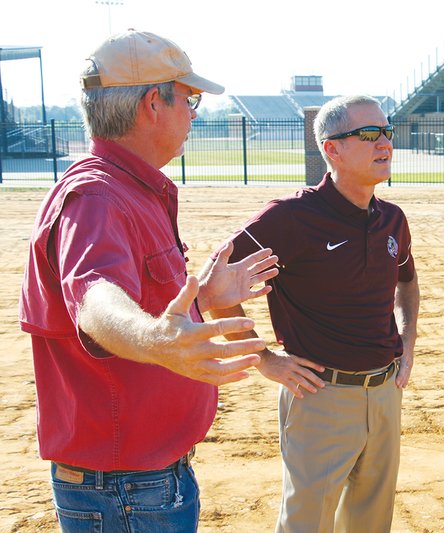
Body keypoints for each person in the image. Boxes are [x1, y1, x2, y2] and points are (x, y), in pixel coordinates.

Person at [19, 29, 280, 532]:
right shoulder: (98, 198)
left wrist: (205, 297)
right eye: (189, 98)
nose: (194, 114)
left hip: (140, 483)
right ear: (151, 105)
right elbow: (95, 300)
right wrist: (154, 340)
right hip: (124, 491)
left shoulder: (130, 190)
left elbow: (140, 294)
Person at [209, 94, 419, 532]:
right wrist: (264, 358)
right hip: (320, 395)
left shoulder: (392, 219)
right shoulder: (290, 219)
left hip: (384, 394)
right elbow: (216, 286)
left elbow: (406, 281)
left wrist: (408, 341)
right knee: (309, 523)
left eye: (386, 132)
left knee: (370, 522)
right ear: (332, 148)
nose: (384, 143)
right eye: (368, 134)